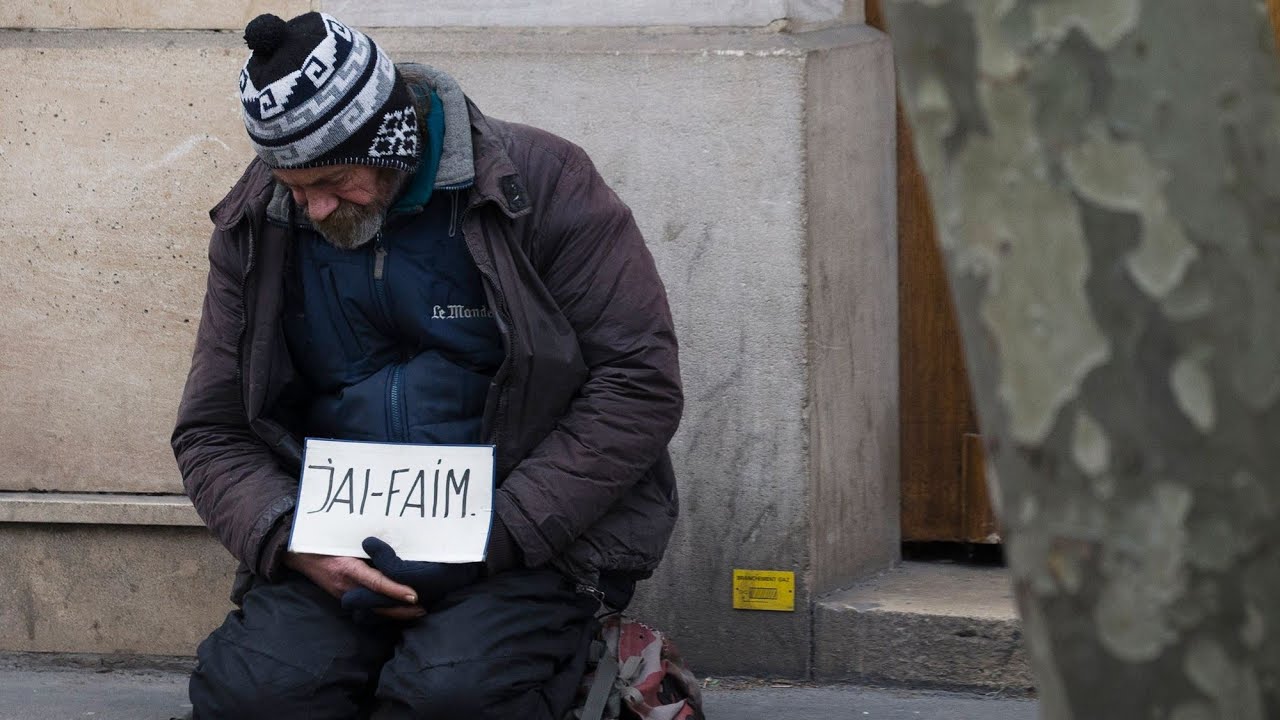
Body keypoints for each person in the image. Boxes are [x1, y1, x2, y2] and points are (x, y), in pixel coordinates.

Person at [171, 11, 682, 719]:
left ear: (394, 138)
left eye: (334, 179)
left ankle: (591, 660)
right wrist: (289, 541)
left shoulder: (542, 181)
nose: (314, 207)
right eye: (293, 185)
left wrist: (495, 535)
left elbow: (637, 386)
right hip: (334, 547)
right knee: (251, 697)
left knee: (451, 698)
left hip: (523, 540)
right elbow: (211, 429)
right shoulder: (260, 221)